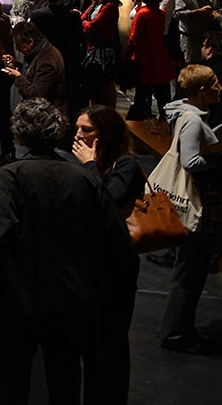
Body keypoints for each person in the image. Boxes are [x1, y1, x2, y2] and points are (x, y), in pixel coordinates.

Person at [0, 99, 134, 405]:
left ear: (19, 134)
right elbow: (117, 240)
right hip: (71, 302)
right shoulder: (86, 179)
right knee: (65, 385)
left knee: (12, 385)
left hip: (19, 303)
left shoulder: (6, 178)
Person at [160, 63, 222, 352]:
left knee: (191, 272)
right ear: (202, 90)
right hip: (197, 200)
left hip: (198, 199)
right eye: (215, 84)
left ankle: (182, 329)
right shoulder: (193, 120)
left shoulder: (191, 115)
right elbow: (191, 161)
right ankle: (175, 334)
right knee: (189, 274)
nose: (220, 88)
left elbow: (201, 142)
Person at [70, 105, 144, 405]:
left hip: (115, 267)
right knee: (89, 345)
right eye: (77, 128)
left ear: (107, 134)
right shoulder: (86, 164)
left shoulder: (126, 165)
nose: (78, 135)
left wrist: (88, 165)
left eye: (86, 129)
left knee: (110, 347)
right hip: (88, 264)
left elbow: (107, 203)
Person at [127, 0, 175, 119]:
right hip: (158, 51)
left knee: (142, 88)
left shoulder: (142, 14)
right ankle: (164, 116)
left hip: (144, 53)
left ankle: (138, 115)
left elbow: (134, 37)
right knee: (161, 87)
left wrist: (128, 54)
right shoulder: (161, 13)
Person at [3, 20, 67, 119]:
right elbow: (35, 74)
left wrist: (18, 77)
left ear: (31, 42)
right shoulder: (42, 52)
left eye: (19, 45)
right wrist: (17, 64)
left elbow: (36, 95)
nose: (17, 49)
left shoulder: (47, 61)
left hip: (47, 119)